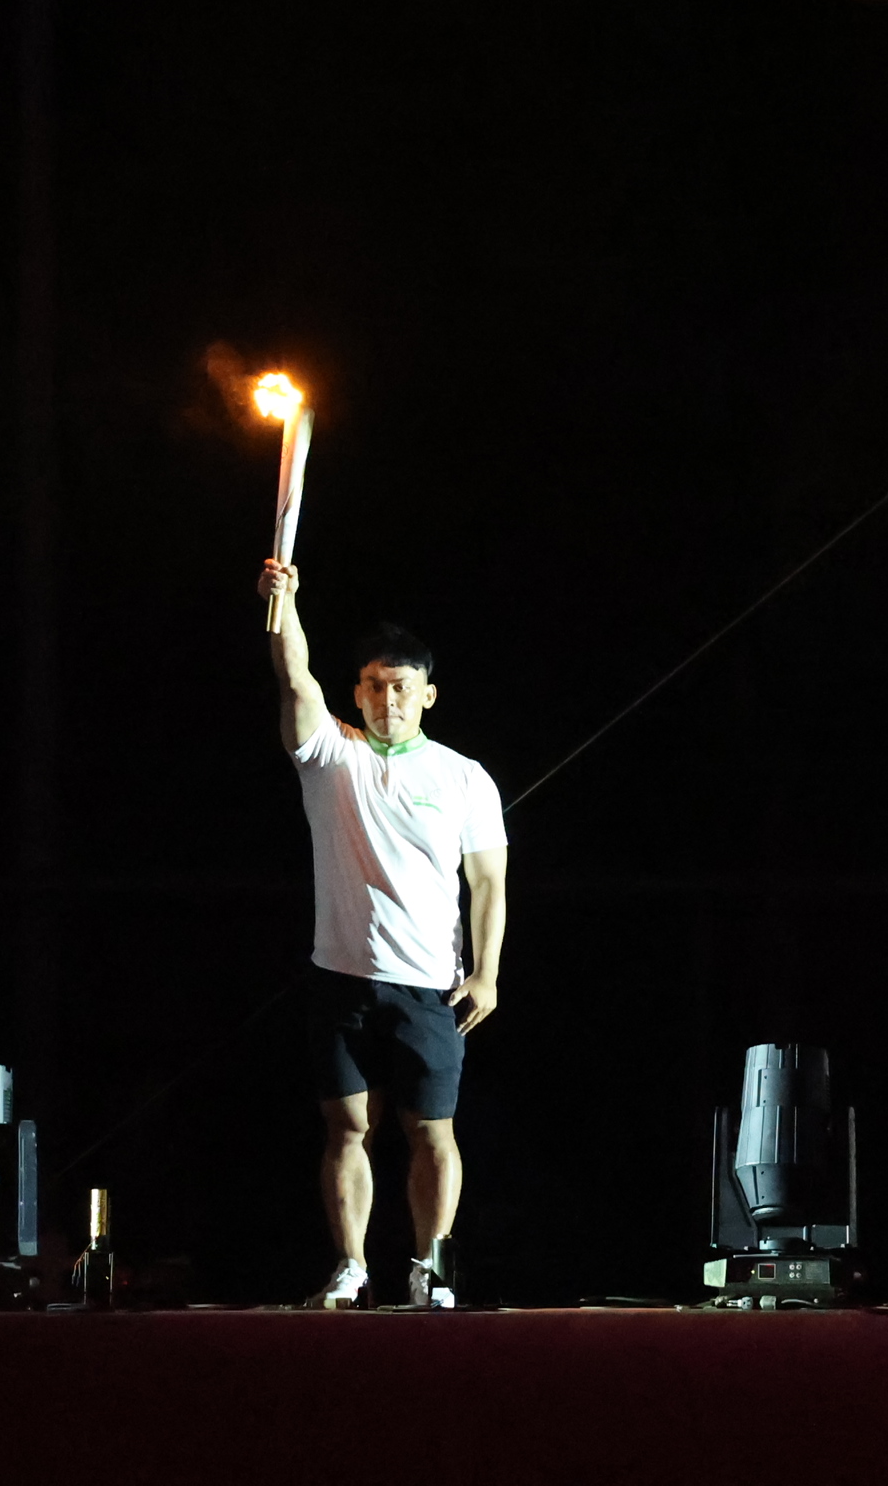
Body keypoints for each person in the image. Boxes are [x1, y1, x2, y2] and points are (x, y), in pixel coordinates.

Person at [262, 557, 511, 1310]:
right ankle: (350, 1267)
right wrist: (284, 603)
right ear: (358, 693)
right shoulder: (331, 756)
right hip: (340, 978)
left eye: (401, 686)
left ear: (427, 693)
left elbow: (488, 882)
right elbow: (295, 679)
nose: (387, 699)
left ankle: (431, 1268)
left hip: (429, 986)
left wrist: (487, 973)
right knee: (347, 1129)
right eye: (374, 685)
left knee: (432, 1131)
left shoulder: (464, 777)